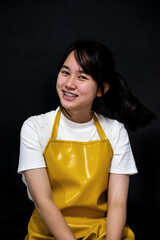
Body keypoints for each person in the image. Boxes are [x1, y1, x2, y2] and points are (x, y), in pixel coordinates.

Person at [18, 40, 156, 240]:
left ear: (101, 89)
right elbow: (43, 201)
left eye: (82, 76)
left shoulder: (115, 132)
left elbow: (117, 203)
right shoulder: (35, 127)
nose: (69, 83)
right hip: (48, 234)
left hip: (102, 234)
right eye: (65, 72)